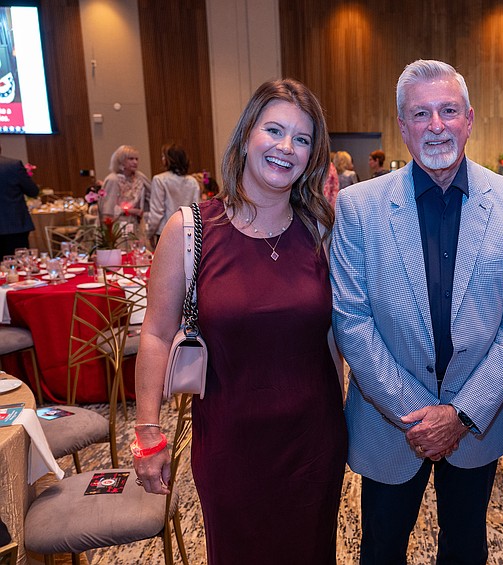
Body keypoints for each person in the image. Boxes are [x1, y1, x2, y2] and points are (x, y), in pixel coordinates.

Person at [331, 59, 503, 564]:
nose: (436, 125)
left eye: (448, 111)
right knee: (381, 547)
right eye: (420, 114)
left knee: (466, 547)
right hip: (390, 423)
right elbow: (352, 320)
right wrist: (419, 416)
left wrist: (461, 414)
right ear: (402, 126)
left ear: (469, 118)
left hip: (478, 420)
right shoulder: (359, 207)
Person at [133, 78, 346, 564]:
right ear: (247, 133)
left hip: (313, 444)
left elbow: (332, 341)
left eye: (303, 139)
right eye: (274, 130)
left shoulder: (322, 232)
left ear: (313, 156)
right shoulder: (191, 230)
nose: (286, 147)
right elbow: (155, 334)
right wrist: (148, 431)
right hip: (231, 446)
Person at [146, 143, 201, 249]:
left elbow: (157, 211)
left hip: (165, 232)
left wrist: (149, 233)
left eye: (163, 156)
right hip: (188, 231)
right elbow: (196, 209)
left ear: (168, 159)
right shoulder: (192, 181)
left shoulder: (160, 180)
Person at [0, 143, 39, 257]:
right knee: (19, 266)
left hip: (14, 226)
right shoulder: (13, 165)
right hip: (14, 225)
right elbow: (33, 191)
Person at [100, 145, 151, 232]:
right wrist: (131, 211)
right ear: (121, 161)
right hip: (118, 227)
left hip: (137, 225)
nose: (135, 162)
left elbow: (151, 197)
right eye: (131, 159)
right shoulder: (113, 179)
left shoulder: (140, 177)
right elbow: (107, 211)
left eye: (136, 159)